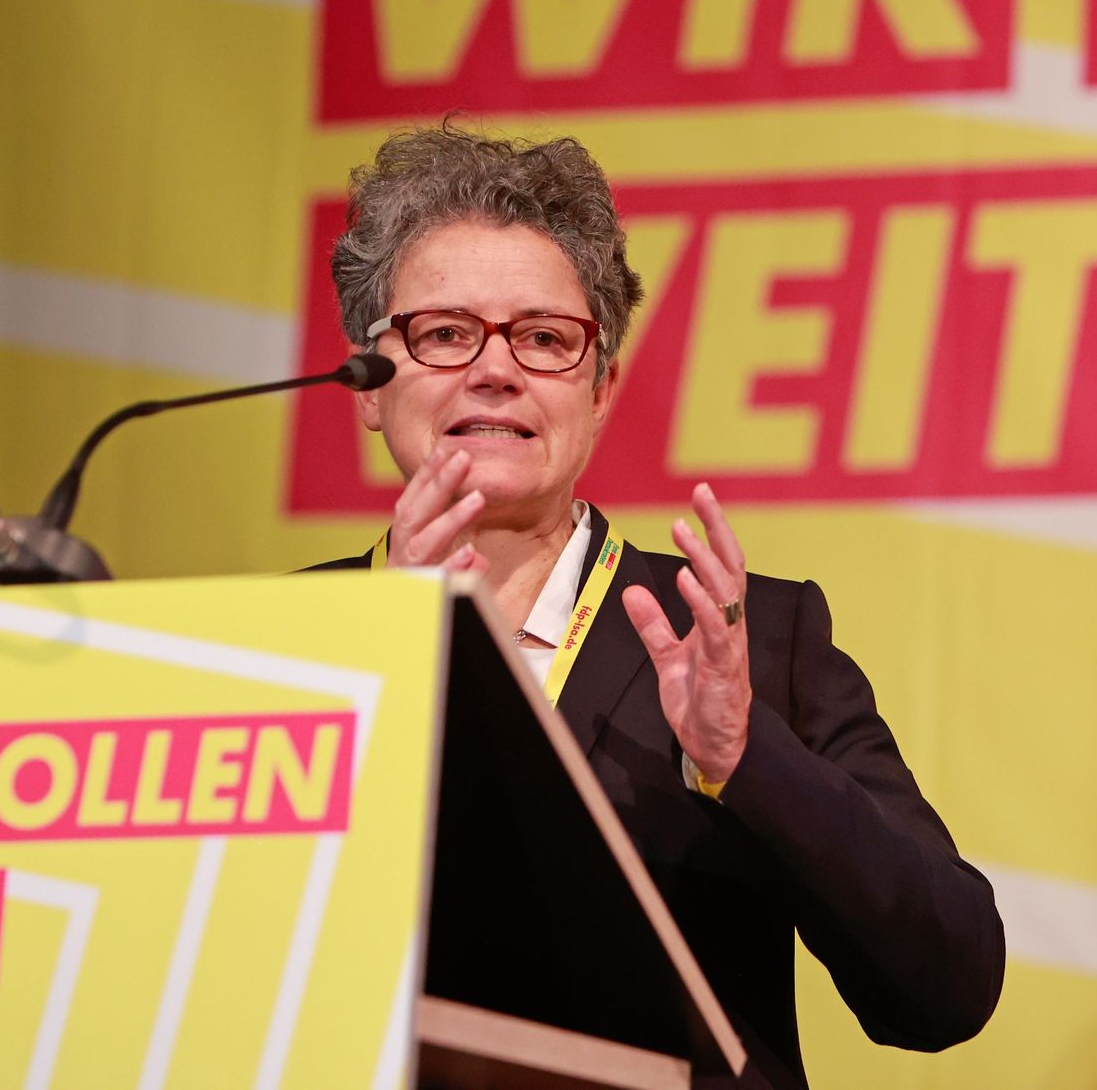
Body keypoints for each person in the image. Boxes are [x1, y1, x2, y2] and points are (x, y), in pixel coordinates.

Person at [310, 123, 1002, 1085]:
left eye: (544, 338)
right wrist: (385, 659)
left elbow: (949, 985)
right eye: (446, 333)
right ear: (367, 384)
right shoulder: (281, 643)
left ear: (601, 389)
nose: (495, 369)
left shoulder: (746, 641)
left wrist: (744, 756)